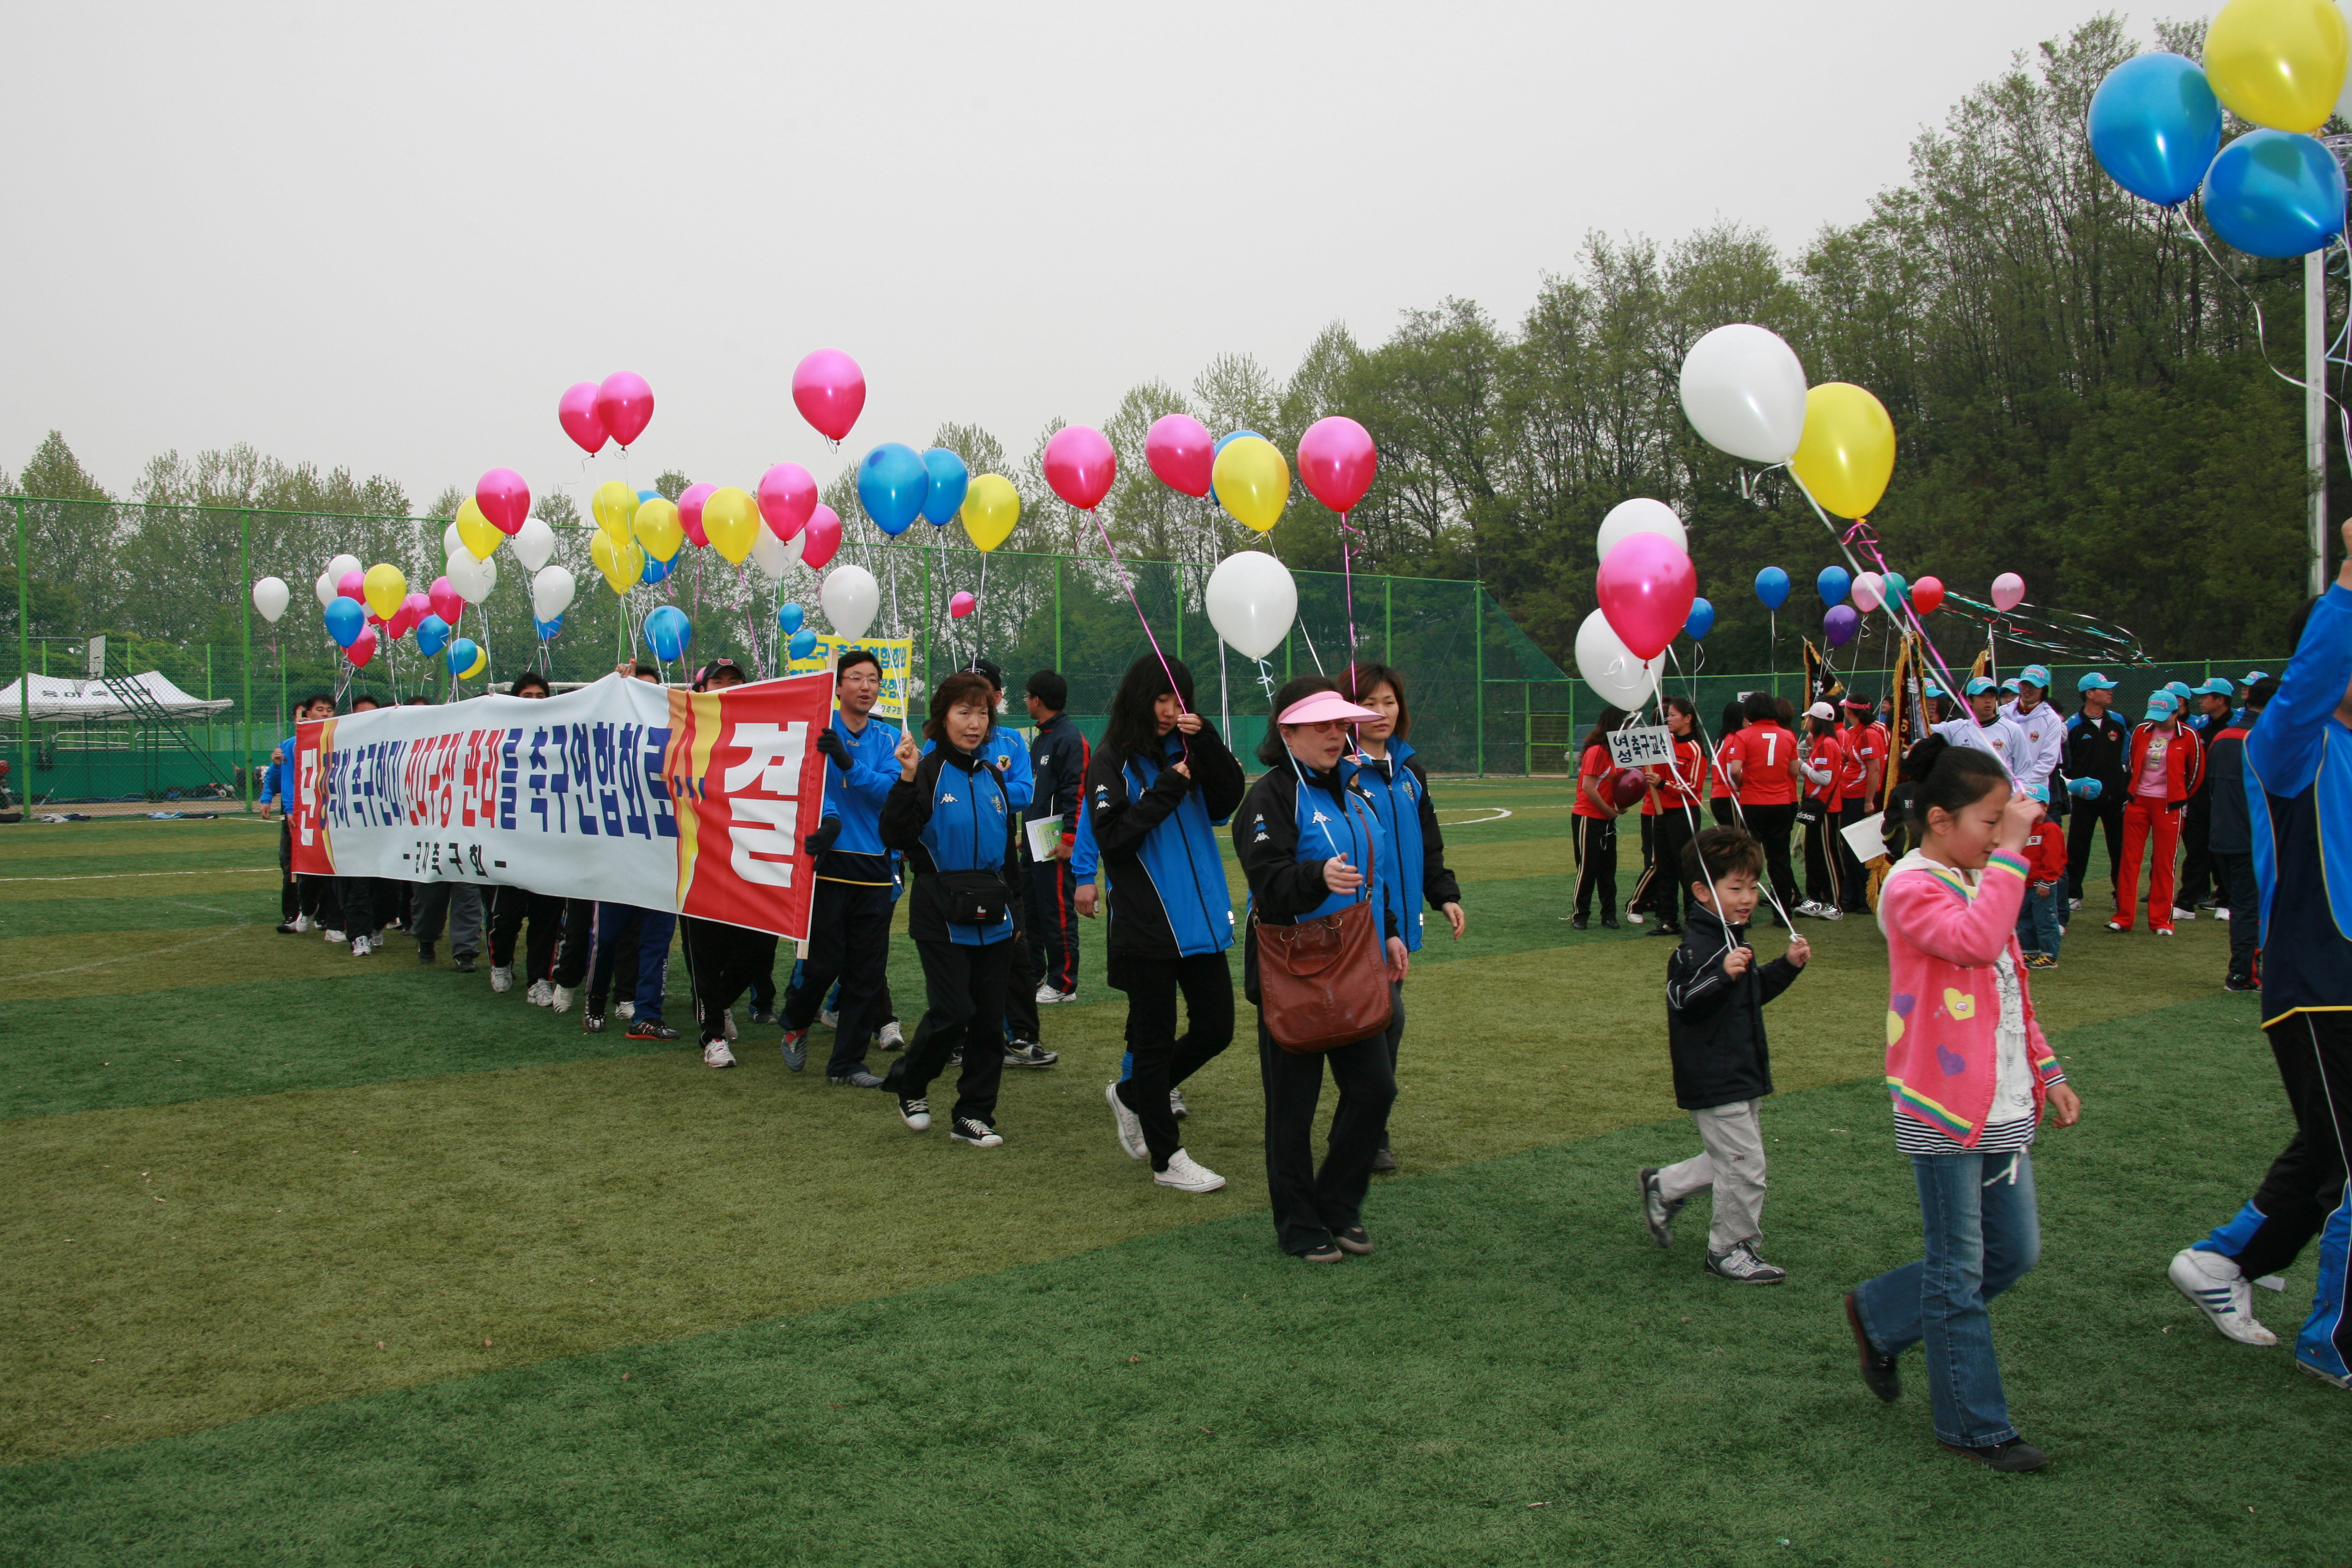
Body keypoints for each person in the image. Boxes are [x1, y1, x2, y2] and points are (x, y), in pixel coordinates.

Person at [1844, 737, 2082, 1473]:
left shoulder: (1983, 875)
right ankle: (1974, 1426)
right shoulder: (1911, 887)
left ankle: (1880, 1314)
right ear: (1940, 820)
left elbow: (2012, 987)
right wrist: (2013, 852)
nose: (2002, 834)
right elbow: (1978, 947)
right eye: (1990, 822)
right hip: (1942, 1104)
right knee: (1959, 1271)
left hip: (2004, 1101)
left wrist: (2048, 1070)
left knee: (2011, 1255)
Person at [2169, 537, 2352, 1388]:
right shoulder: (2292, 743)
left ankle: (2218, 1264)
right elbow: (2314, 672)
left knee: (2328, 1152)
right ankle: (2336, 1338)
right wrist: (2348, 584)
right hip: (2319, 986)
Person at [1235, 677, 1405, 1263]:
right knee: (1293, 1106)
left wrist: (1388, 930)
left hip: (1357, 963)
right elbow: (1268, 880)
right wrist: (1314, 877)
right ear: (1287, 732)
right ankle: (1299, 1222)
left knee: (1375, 1087)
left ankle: (1338, 1204)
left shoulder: (1353, 791)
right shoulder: (1268, 797)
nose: (1337, 734)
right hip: (1293, 970)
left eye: (1341, 724)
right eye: (1322, 725)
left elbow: (1371, 872)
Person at [1089, 655, 1248, 1193]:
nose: (1169, 710)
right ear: (1139, 697)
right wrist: (1165, 789)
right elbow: (1112, 838)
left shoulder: (1189, 748)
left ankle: (1133, 1095)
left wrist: (1208, 744)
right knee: (1153, 1043)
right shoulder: (1111, 760)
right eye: (1161, 698)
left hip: (1201, 919)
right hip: (1146, 927)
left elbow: (1228, 800)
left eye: (1179, 699)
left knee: (1216, 1029)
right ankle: (1167, 1158)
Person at [1641, 825, 1810, 1283]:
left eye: (1752, 887)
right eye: (1735, 888)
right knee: (1746, 1165)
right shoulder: (1697, 948)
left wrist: (1786, 968)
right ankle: (1730, 1249)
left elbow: (1750, 995)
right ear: (1701, 891)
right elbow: (1682, 999)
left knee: (1731, 1158)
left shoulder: (1734, 939)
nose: (1748, 897)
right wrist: (1719, 975)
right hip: (1713, 1076)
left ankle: (1664, 1187)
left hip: (1741, 1069)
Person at [877, 670, 1021, 1147]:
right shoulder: (927, 770)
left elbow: (1007, 854)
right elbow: (895, 835)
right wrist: (906, 776)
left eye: (982, 712)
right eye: (964, 712)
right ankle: (911, 1083)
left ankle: (974, 1113)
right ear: (942, 718)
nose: (975, 722)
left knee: (988, 1018)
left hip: (995, 914)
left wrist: (1016, 911)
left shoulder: (994, 775)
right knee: (953, 1010)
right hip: (940, 910)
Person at [1340, 661, 1464, 1172]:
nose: (1381, 712)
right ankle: (1365, 1132)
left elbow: (1428, 840)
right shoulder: (1342, 772)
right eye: (1369, 703)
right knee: (1385, 1023)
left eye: (1389, 702)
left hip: (1400, 926)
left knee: (1382, 1027)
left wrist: (1444, 894)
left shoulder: (1410, 769)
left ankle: (1364, 1130)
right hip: (1359, 921)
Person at [780, 649, 902, 1086]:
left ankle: (847, 1065)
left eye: (873, 679)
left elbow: (889, 793)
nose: (866, 687)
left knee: (866, 972)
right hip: (828, 865)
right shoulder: (818, 728)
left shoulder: (889, 739)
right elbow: (806, 783)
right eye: (856, 678)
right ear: (838, 686)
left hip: (874, 867)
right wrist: (829, 819)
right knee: (822, 965)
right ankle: (795, 1022)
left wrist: (849, 762)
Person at [2107, 689, 2203, 936]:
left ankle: (2161, 921)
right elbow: (2131, 762)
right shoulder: (2141, 731)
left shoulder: (2189, 735)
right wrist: (2133, 794)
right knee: (2129, 860)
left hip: (2169, 806)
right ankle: (2123, 917)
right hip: (2138, 802)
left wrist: (2180, 798)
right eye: (2154, 714)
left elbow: (2196, 773)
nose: (2157, 720)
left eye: (2163, 715)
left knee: (2164, 862)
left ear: (2176, 712)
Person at [1024, 669, 1087, 1009]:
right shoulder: (1041, 738)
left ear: (1038, 700)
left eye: (1027, 696)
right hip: (1035, 841)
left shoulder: (1069, 737)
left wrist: (1070, 838)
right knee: (1032, 909)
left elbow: (1076, 792)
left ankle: (1064, 983)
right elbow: (1039, 794)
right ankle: (1036, 975)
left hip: (1056, 843)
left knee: (1057, 912)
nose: (1026, 701)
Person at [2204, 677, 2271, 993]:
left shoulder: (2222, 738)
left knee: (2242, 907)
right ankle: (2245, 974)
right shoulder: (2266, 738)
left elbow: (2211, 788)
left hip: (2222, 835)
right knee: (2252, 908)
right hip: (2253, 838)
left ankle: (2245, 971)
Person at [1722, 691, 1801, 921]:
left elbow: (1735, 770)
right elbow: (1795, 770)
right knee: (1780, 859)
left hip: (1753, 801)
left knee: (1747, 858)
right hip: (1781, 803)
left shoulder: (1743, 736)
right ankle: (1783, 913)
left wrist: (1742, 785)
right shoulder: (1788, 736)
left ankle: (1742, 914)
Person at [1632, 695, 1705, 938]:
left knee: (1687, 868)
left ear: (1688, 718)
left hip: (1683, 814)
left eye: (1673, 715)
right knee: (1664, 867)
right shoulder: (1663, 741)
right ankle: (1668, 919)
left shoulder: (1695, 748)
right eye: (1668, 715)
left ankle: (1693, 920)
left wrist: (1663, 783)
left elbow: (1693, 786)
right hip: (1660, 814)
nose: (1668, 719)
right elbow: (1646, 764)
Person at [2061, 672, 2129, 913]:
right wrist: (2075, 785)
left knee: (2120, 848)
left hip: (2116, 798)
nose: (2111, 692)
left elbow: (2126, 754)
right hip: (2085, 799)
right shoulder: (2072, 725)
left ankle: (2121, 894)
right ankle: (2073, 894)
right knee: (2078, 847)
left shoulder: (2118, 721)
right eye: (2105, 689)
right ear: (2090, 694)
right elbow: (2065, 763)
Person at [2176, 677, 2237, 915]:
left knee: (2225, 851)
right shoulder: (2200, 726)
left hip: (2227, 797)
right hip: (2199, 796)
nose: (2200, 701)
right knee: (2196, 850)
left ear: (2220, 700)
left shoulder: (2239, 726)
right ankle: (2186, 903)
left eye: (2206, 697)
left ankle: (2225, 901)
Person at [1570, 706, 1630, 929]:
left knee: (1608, 868)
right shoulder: (1597, 751)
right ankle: (1581, 915)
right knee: (1587, 868)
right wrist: (1608, 810)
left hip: (1607, 817)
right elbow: (1588, 787)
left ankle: (1609, 915)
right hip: (1588, 816)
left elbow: (1618, 783)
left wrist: (1621, 804)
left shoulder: (1617, 751)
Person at [1795, 701, 1846, 920]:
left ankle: (1835, 903)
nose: (1807, 722)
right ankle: (1815, 899)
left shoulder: (1827, 744)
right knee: (1814, 855)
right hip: (1819, 806)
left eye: (1810, 719)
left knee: (1828, 856)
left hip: (1826, 807)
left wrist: (1802, 765)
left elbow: (1824, 778)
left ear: (1817, 721)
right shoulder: (1822, 743)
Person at [1835, 695, 1882, 914]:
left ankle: (1863, 898)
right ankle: (1851, 895)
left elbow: (1874, 769)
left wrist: (1869, 801)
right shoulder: (1857, 733)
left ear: (1850, 711)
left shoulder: (1869, 735)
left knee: (1858, 850)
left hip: (1858, 797)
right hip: (1849, 795)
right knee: (1849, 849)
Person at [1934, 676, 2028, 780]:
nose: (1988, 700)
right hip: (1968, 795)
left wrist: (2015, 795)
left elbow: (2024, 771)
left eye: (1992, 696)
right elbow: (1923, 730)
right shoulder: (1957, 728)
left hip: (2003, 795)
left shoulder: (2013, 729)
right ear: (1969, 701)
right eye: (1982, 696)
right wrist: (1916, 702)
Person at [2015, 783, 2067, 969]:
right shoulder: (2023, 828)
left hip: (2041, 885)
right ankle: (2030, 951)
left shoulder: (2049, 829)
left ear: (2045, 806)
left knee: (2045, 919)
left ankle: (2049, 954)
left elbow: (2054, 858)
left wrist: (2046, 881)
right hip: (2025, 884)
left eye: (2032, 805)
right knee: (2025, 919)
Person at [1998, 666, 2064, 805]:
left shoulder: (2051, 719)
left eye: (2034, 686)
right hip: (2001, 788)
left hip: (2033, 792)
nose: (2028, 689)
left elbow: (2047, 762)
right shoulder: (2002, 713)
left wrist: (2019, 783)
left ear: (2043, 689)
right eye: (2025, 684)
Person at [1709, 702, 1746, 829]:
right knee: (1738, 838)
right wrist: (1742, 791)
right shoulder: (1735, 739)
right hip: (1729, 796)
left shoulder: (1722, 739)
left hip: (1718, 795)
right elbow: (1732, 772)